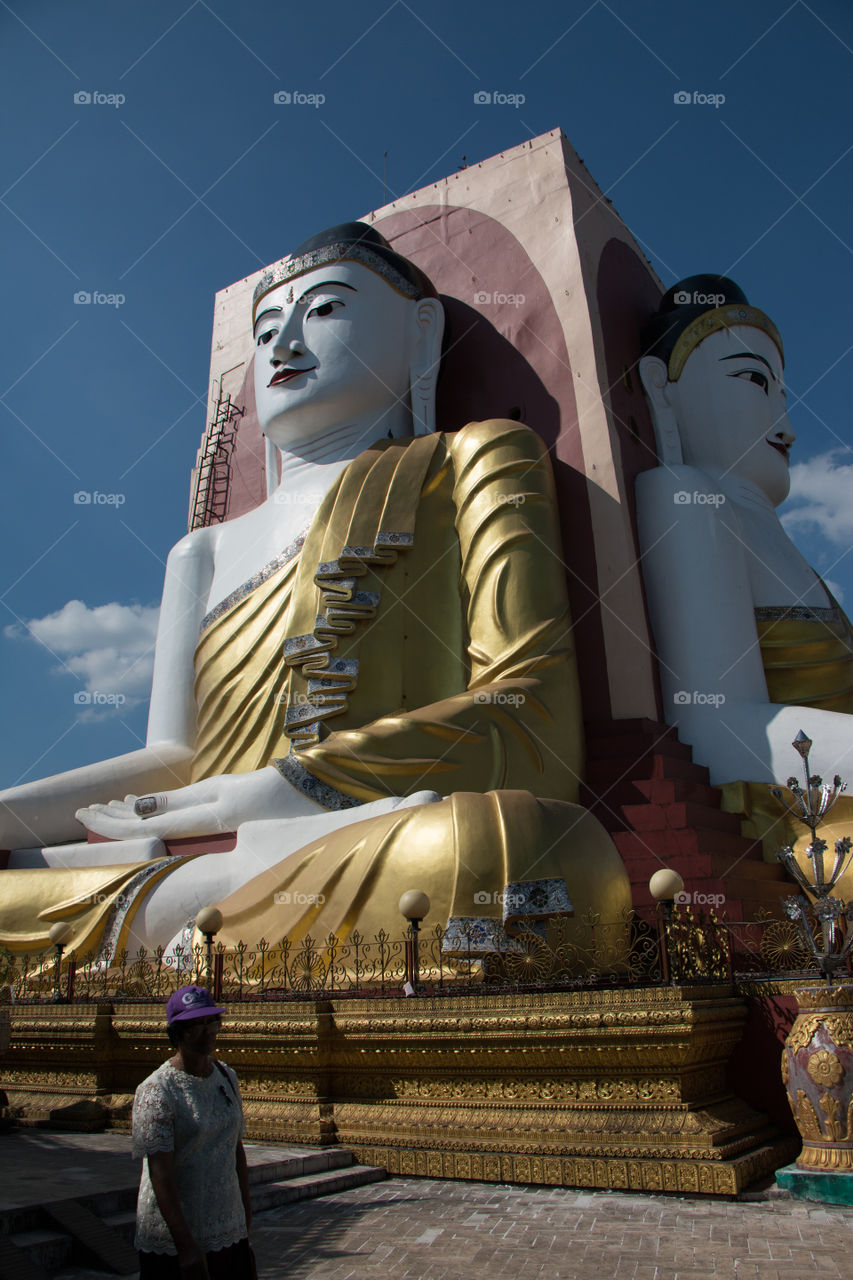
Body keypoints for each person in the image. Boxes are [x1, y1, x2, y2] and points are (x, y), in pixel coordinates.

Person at [0, 223, 630, 960]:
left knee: (510, 847)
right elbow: (176, 759)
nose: (284, 344)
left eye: (326, 310)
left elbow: (533, 716)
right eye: (266, 327)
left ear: (420, 334)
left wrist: (277, 789)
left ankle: (175, 928)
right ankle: (195, 922)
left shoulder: (476, 461)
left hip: (357, 833)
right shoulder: (199, 551)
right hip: (200, 846)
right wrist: (10, 816)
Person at [637, 275, 853, 889]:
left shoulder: (775, 534)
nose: (786, 428)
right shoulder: (688, 497)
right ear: (662, 387)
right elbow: (716, 724)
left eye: (782, 393)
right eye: (754, 381)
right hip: (798, 819)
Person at [132, 984, 254, 1280]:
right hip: (179, 1236)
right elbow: (160, 1173)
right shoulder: (156, 1090)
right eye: (195, 1025)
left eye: (211, 1021)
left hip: (227, 1225)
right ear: (178, 1034)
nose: (207, 1030)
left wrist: (245, 1215)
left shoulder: (226, 1076)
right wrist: (186, 1246)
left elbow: (235, 1149)